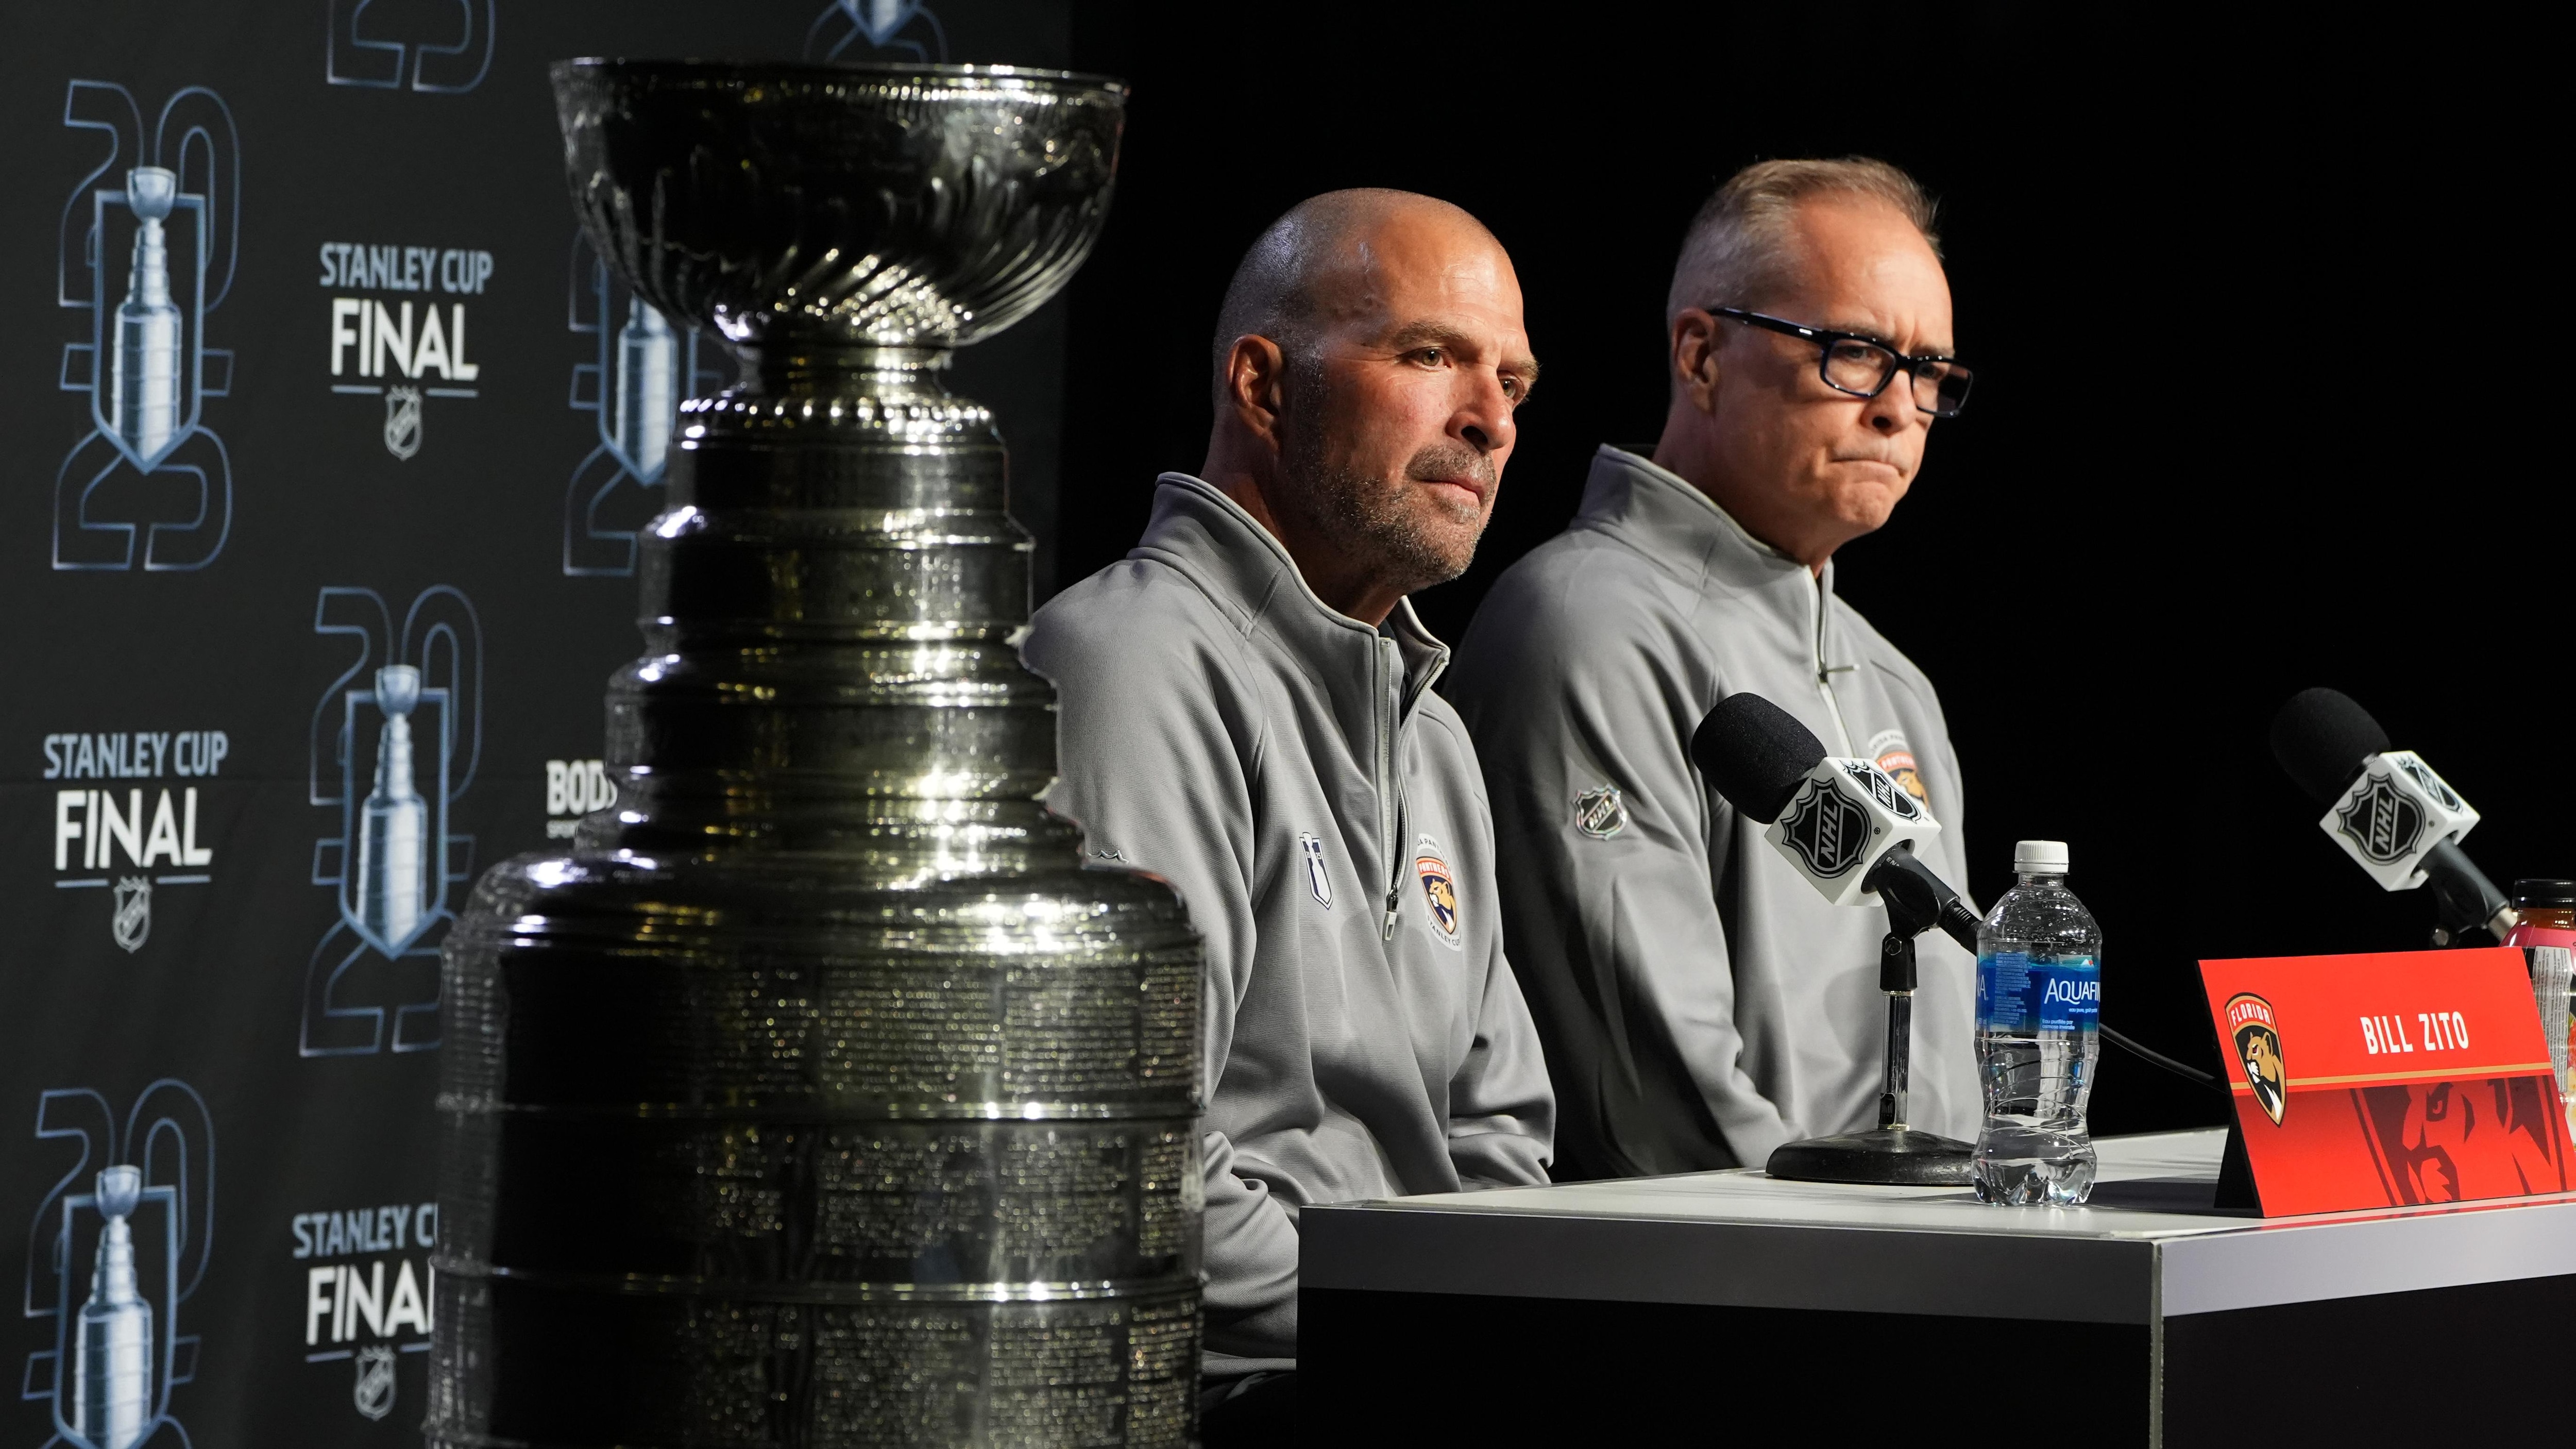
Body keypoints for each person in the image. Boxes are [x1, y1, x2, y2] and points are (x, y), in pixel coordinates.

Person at [1022, 189, 1555, 1440]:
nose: (1487, 421)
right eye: (1429, 357)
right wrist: (1436, 1324)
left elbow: (1502, 1133)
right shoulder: (1128, 662)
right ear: (1262, 387)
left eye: (1513, 384)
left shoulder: (1433, 729)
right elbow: (1131, 1178)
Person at [1446, 158, 1978, 1181]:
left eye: (1929, 372)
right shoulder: (1587, 625)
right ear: (1700, 356)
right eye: (1857, 352)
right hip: (1738, 1302)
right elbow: (1653, 1113)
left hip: (1928, 1281)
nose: (1898, 407)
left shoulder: (1895, 680)